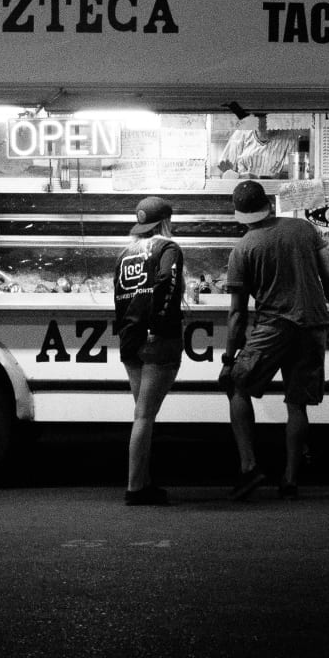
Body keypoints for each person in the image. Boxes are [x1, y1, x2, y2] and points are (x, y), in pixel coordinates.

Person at [220, 179, 329, 501]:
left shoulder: (243, 248)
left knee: (237, 385)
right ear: (269, 205)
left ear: (240, 214)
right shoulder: (304, 229)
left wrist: (229, 357)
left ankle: (249, 467)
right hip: (314, 324)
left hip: (273, 327)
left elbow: (237, 314)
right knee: (297, 403)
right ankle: (290, 479)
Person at [112, 196, 185, 505]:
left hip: (130, 339)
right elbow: (168, 280)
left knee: (142, 413)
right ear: (166, 222)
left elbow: (118, 297)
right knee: (145, 415)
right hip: (158, 339)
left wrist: (131, 332)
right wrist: (158, 326)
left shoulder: (123, 253)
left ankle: (143, 482)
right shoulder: (169, 249)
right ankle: (135, 488)